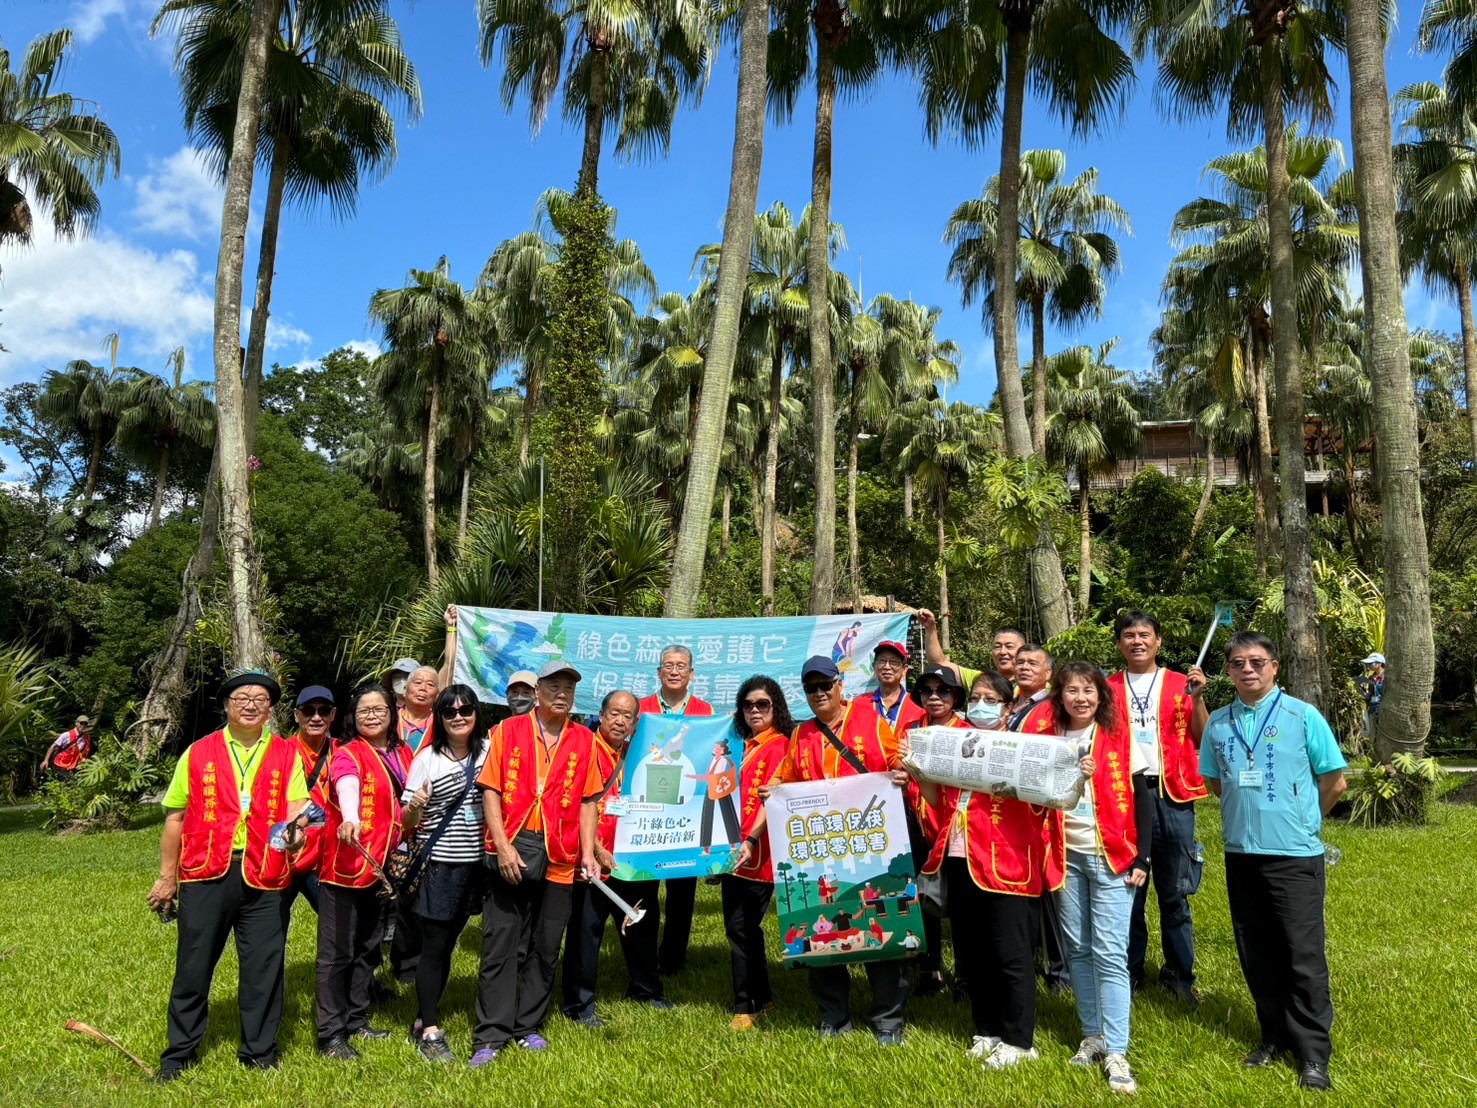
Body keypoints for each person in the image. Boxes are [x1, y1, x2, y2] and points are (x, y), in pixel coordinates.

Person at [1200, 632, 1347, 1093]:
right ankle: (1273, 1037)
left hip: (1294, 855)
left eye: (1257, 662)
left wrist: (1304, 822)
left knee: (1301, 956)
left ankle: (1313, 1054)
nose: (1248, 669)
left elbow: (1335, 781)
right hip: (1241, 853)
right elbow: (1217, 783)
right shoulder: (1219, 723)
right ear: (1228, 671)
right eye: (1239, 663)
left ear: (1275, 667)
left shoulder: (1302, 716)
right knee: (1256, 952)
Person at [147, 672, 309, 1082]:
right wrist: (167, 877)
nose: (251, 704)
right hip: (206, 872)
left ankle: (259, 1052)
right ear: (226, 706)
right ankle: (178, 1056)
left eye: (260, 698)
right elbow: (176, 817)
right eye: (242, 697)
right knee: (193, 966)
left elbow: (296, 810)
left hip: (264, 874)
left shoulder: (287, 754)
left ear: (270, 709)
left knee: (264, 969)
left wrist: (295, 836)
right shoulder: (198, 752)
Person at [903, 689, 1051, 1071]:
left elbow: (1044, 800)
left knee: (1011, 954)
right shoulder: (957, 744)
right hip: (958, 859)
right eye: (978, 696)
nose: (982, 703)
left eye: (992, 698)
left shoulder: (1024, 746)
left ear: (1007, 706)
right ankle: (987, 1031)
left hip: (1007, 863)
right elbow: (939, 801)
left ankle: (1019, 1039)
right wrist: (920, 770)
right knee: (973, 954)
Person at [471, 660, 604, 1066]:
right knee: (502, 942)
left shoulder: (584, 739)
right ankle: (490, 1035)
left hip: (561, 853)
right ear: (538, 690)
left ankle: (527, 1025)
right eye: (554, 685)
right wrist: (502, 844)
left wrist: (588, 853)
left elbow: (588, 801)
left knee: (546, 946)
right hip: (513, 845)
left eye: (568, 687)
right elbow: (490, 791)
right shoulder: (506, 731)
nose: (562, 693)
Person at [774, 655, 908, 1046]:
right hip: (821, 854)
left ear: (839, 686)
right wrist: (775, 791)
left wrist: (900, 772)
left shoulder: (869, 720)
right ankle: (833, 1015)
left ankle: (888, 1019)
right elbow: (787, 777)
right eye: (811, 688)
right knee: (822, 932)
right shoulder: (802, 735)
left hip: (872, 846)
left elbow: (898, 758)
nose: (819, 694)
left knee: (882, 930)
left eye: (825, 685)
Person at [1045, 661, 1154, 1096]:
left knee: (1110, 952)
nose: (1081, 698)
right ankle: (1092, 1036)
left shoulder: (1120, 737)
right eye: (1071, 690)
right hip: (1065, 857)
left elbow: (1143, 800)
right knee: (1078, 950)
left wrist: (1142, 858)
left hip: (1112, 858)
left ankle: (1117, 1050)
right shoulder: (1048, 740)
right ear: (1060, 697)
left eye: (1088, 690)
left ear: (1101, 696)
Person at [1107, 611, 1210, 1001]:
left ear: (1158, 642)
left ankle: (1180, 975)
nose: (1137, 641)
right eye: (1129, 635)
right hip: (1123, 796)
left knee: (1175, 891)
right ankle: (1129, 973)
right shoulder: (1106, 687)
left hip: (1173, 796)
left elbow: (1201, 737)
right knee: (1126, 891)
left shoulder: (1183, 684)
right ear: (1120, 643)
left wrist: (1198, 700)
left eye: (1145, 635)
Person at [316, 682, 417, 1061]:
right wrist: (352, 816)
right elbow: (347, 784)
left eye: (379, 709)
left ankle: (356, 1019)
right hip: (345, 867)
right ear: (352, 717)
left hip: (384, 869)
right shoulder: (347, 753)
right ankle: (330, 1034)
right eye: (364, 710)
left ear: (392, 713)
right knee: (336, 953)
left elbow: (407, 808)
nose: (371, 715)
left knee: (368, 950)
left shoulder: (403, 753)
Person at [562, 690, 669, 1029]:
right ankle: (578, 1005)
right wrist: (592, 847)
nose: (620, 721)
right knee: (585, 932)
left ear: (636, 723)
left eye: (628, 716)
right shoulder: (583, 749)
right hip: (591, 862)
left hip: (632, 859)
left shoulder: (637, 754)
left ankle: (645, 989)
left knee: (642, 925)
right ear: (602, 715)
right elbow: (576, 804)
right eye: (614, 713)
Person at [403, 684, 490, 1063]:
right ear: (439, 718)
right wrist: (416, 805)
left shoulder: (490, 751)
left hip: (477, 865)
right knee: (435, 947)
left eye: (465, 710)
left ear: (476, 714)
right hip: (439, 865)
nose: (458, 717)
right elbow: (406, 819)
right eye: (449, 711)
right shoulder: (427, 759)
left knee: (450, 942)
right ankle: (430, 1029)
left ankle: (424, 1015)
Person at [722, 676, 794, 1031]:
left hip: (758, 851)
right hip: (731, 849)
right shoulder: (740, 746)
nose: (755, 710)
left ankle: (746, 1005)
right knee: (741, 928)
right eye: (748, 705)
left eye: (762, 704)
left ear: (775, 707)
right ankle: (760, 998)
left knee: (742, 927)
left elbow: (774, 798)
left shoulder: (780, 745)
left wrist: (751, 839)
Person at [638, 644, 713, 976]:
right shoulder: (640, 709)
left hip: (687, 811)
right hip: (647, 811)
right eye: (668, 665)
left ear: (691, 674)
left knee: (682, 891)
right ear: (658, 672)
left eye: (681, 666)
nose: (674, 671)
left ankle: (673, 959)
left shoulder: (705, 711)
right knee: (646, 887)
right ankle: (643, 952)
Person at [900, 664, 972, 1000]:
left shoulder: (969, 732)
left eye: (942, 690)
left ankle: (966, 975)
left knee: (961, 904)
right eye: (927, 691)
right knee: (922, 897)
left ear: (955, 696)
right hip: (916, 823)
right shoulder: (910, 730)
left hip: (957, 830)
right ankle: (930, 969)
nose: (934, 697)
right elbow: (895, 767)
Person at [1010, 645, 1070, 994]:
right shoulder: (1010, 705)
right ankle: (1031, 962)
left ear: (1049, 673)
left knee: (1051, 893)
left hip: (1046, 813)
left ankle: (1060, 972)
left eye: (1033, 663)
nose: (1024, 667)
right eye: (1020, 663)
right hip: (1016, 815)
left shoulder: (1054, 708)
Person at [286, 686, 338, 918]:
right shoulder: (281, 752)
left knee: (334, 920)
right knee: (271, 924)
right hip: (288, 850)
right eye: (308, 710)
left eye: (323, 710)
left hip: (326, 854)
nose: (316, 717)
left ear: (333, 715)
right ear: (297, 715)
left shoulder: (343, 751)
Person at [919, 609, 1028, 689]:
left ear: (1023, 650)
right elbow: (939, 663)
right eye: (997, 646)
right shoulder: (981, 680)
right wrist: (930, 629)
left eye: (1009, 647)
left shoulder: (1035, 685)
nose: (1003, 652)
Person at [871, 640, 925, 735]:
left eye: (894, 662)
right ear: (874, 667)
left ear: (904, 670)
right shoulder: (859, 704)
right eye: (882, 661)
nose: (887, 667)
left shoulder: (918, 707)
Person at [42, 715, 94, 779]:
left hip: (74, 764)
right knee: (68, 780)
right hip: (61, 763)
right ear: (76, 723)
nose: (83, 725)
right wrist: (45, 760)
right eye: (81, 723)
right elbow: (53, 746)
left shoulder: (86, 737)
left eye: (85, 724)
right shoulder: (66, 735)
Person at [1359, 652, 1385, 735]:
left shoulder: (1387, 677)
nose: (1369, 665)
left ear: (1379, 663)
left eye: (1371, 663)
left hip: (1384, 711)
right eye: (1368, 664)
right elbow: (1370, 696)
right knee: (1372, 736)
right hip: (1373, 710)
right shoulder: (1371, 678)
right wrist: (1360, 691)